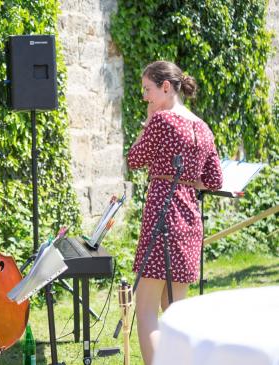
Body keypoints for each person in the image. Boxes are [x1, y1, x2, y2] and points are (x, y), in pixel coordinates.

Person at [127, 61, 223, 365]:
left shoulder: (162, 121)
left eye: (148, 89)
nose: (145, 97)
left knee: (146, 310)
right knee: (175, 313)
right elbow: (215, 180)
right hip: (189, 219)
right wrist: (185, 180)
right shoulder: (203, 127)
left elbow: (134, 158)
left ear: (166, 87)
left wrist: (148, 122)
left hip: (162, 214)